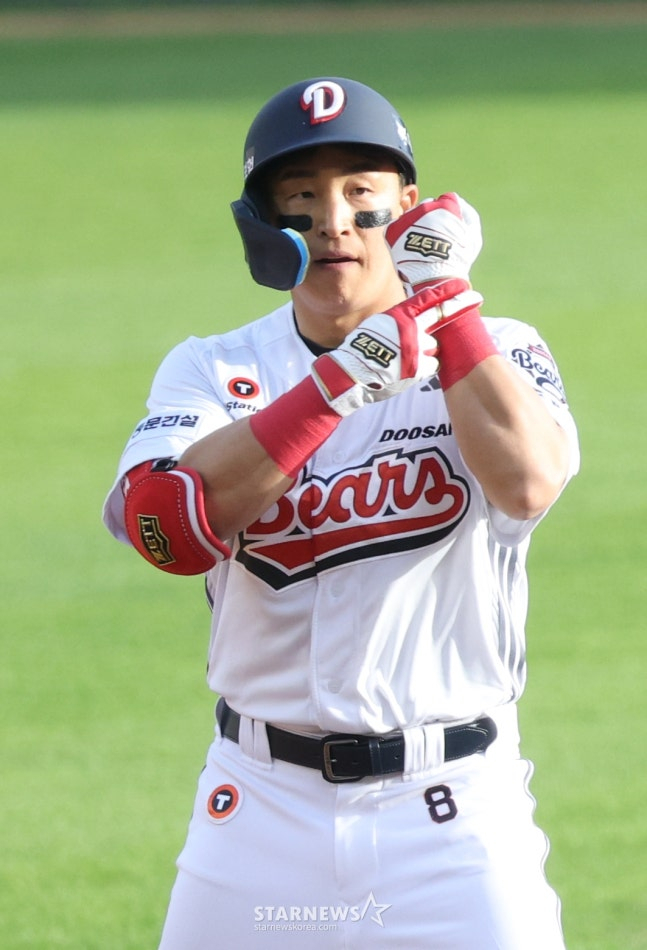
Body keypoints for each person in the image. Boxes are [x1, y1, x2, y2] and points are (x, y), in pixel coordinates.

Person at [103, 77, 579, 949]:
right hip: (258, 809)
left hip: (454, 816)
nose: (334, 221)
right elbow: (165, 529)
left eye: (361, 191)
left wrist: (447, 302)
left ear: (409, 205)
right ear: (263, 222)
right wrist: (335, 384)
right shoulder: (213, 370)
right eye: (301, 195)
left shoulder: (500, 350)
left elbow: (527, 482)